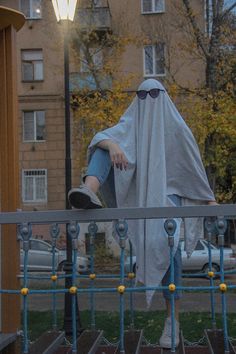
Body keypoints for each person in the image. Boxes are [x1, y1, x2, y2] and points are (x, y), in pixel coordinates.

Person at [68, 79, 216, 348]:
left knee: (166, 243)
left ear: (164, 98)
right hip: (136, 192)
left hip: (168, 197)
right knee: (104, 144)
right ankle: (88, 190)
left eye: (154, 94)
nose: (148, 99)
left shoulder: (177, 130)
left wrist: (210, 201)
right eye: (142, 94)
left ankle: (173, 321)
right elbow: (100, 137)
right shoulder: (129, 126)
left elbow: (193, 169)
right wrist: (113, 146)